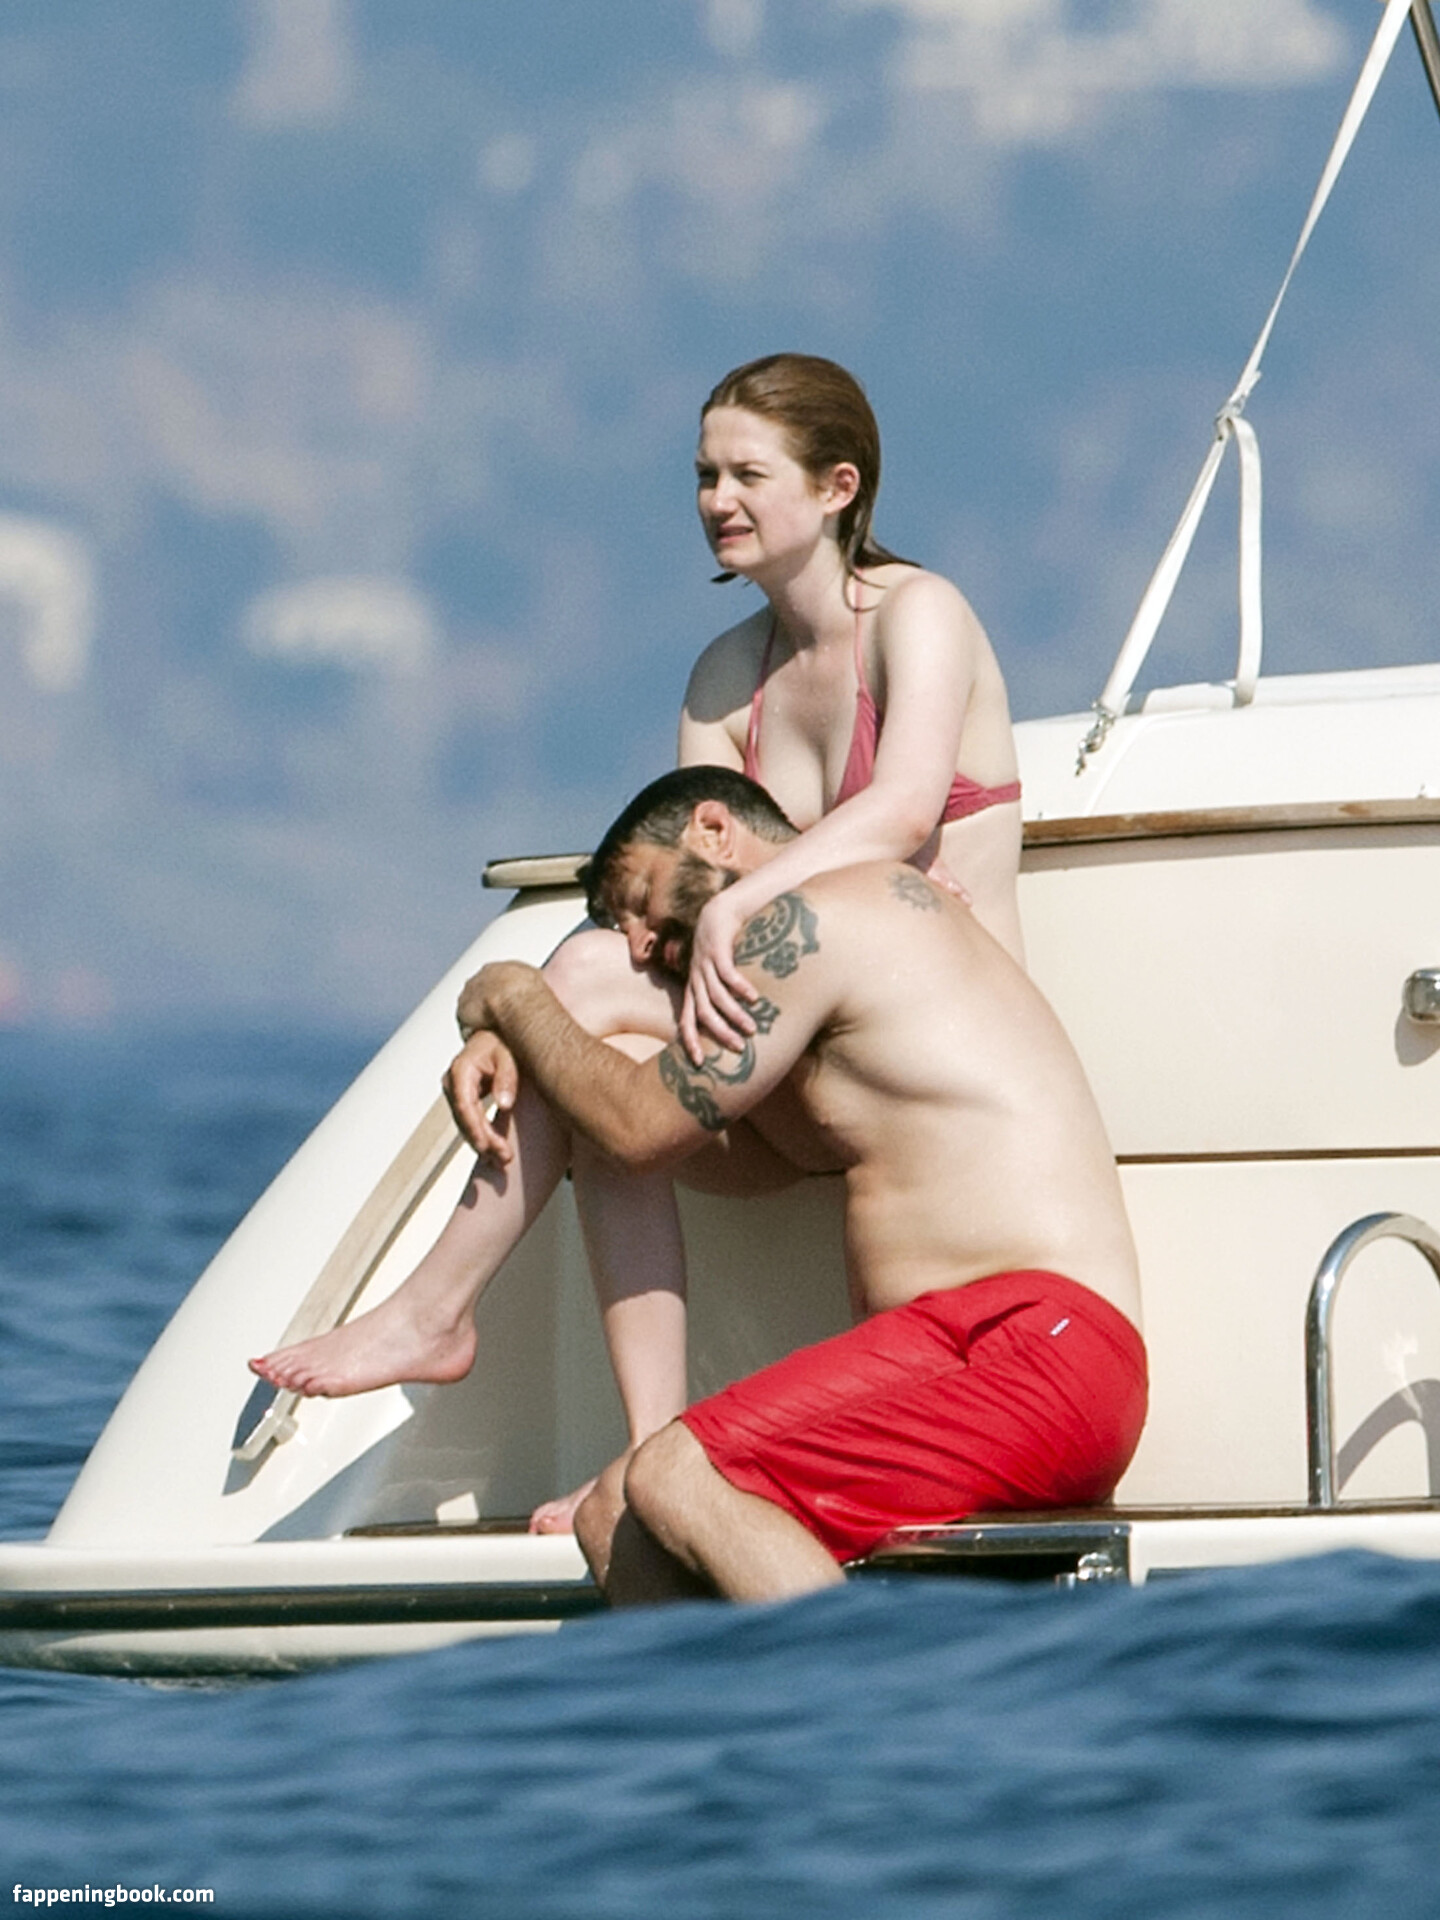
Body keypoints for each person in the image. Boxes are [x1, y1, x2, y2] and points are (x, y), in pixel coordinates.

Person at [251, 353, 1025, 1530]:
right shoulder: (725, 677)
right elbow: (667, 905)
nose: (717, 499)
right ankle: (647, 1448)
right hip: (794, 1065)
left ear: (838, 487)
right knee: (591, 1043)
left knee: (578, 991)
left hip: (931, 1064)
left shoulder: (921, 616)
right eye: (705, 475)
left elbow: (906, 804)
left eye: (748, 474)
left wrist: (735, 909)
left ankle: (435, 1312)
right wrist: (515, 1025)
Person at [442, 766, 1145, 1602]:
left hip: (1034, 1344)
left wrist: (510, 993)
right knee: (616, 1515)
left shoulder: (812, 920)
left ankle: (843, 1686)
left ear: (713, 831)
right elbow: (669, 1126)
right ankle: (749, 1693)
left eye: (642, 900)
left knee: (675, 1475)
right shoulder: (855, 934)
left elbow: (637, 1127)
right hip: (962, 1358)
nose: (639, 945)